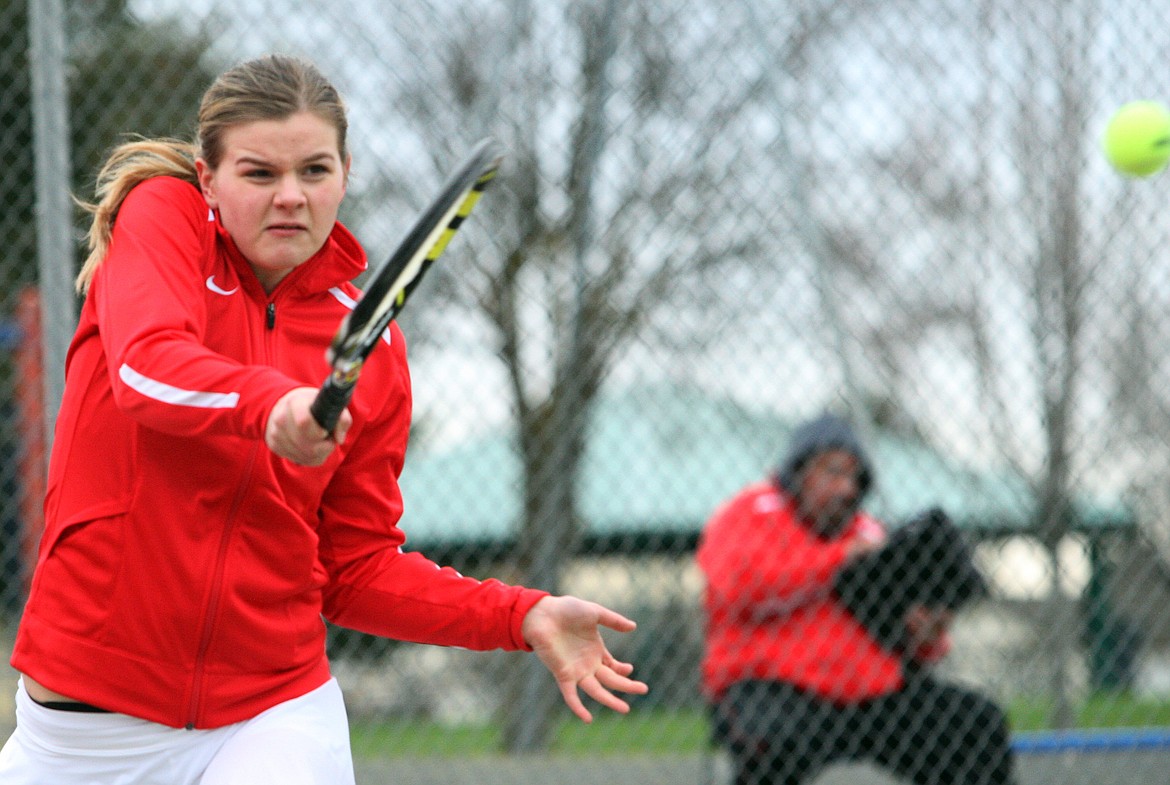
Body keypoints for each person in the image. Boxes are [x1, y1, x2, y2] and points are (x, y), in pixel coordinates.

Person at [0, 54, 647, 785]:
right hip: (83, 726)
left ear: (346, 172)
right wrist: (269, 404)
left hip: (270, 709)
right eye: (259, 174)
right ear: (207, 179)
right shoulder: (162, 216)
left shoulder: (374, 346)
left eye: (314, 170)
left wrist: (518, 614)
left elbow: (356, 566)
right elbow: (145, 369)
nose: (290, 198)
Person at [697, 412, 1015, 785]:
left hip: (869, 698)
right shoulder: (752, 512)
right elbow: (740, 590)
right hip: (772, 691)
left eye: (854, 477)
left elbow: (897, 632)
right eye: (832, 472)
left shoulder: (866, 531)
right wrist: (838, 560)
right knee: (770, 744)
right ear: (798, 472)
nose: (846, 489)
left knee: (975, 724)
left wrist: (924, 635)